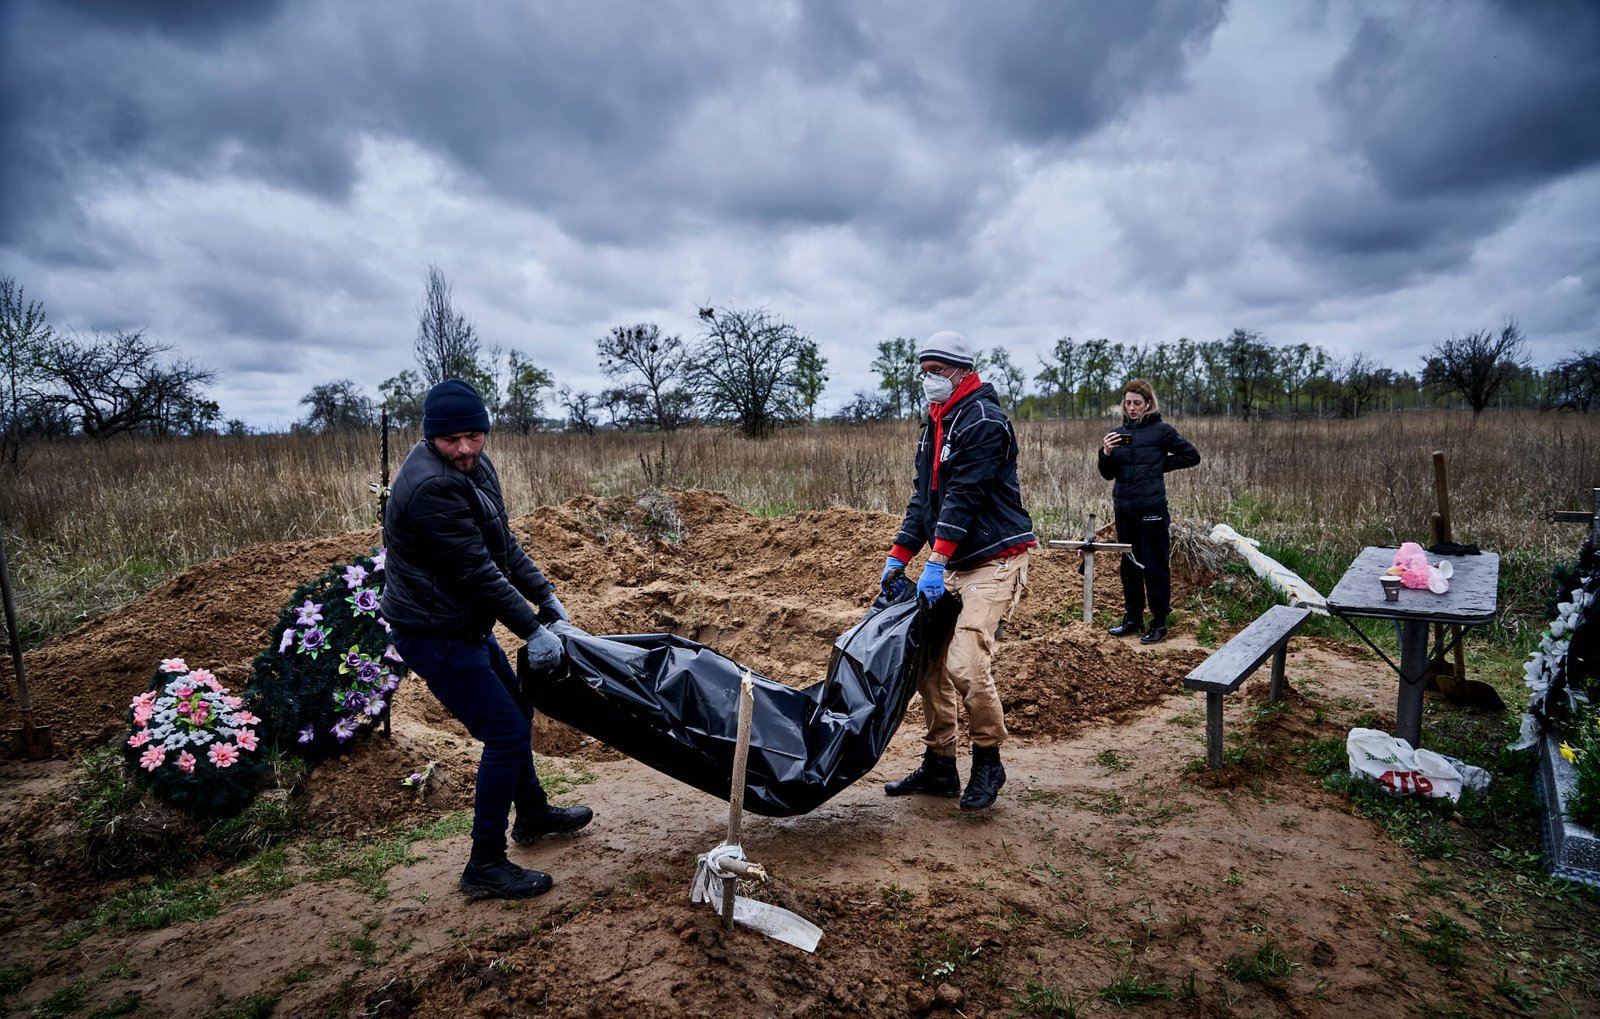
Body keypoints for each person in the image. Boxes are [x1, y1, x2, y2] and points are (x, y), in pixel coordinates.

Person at [382, 379, 592, 899]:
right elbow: (476, 570)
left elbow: (501, 543)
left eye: (474, 435)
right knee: (505, 732)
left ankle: (534, 814)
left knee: (516, 713)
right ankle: (485, 863)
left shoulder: (472, 465)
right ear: (432, 438)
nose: (465, 448)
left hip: (461, 624)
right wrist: (532, 628)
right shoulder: (433, 487)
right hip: (434, 634)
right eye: (452, 440)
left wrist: (545, 595)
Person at [879, 331, 1036, 811]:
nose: (929, 380)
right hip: (952, 561)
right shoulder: (935, 422)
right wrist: (898, 556)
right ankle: (940, 765)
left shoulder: (984, 420)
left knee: (966, 664)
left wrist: (936, 560)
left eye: (938, 372)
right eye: (924, 372)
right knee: (928, 667)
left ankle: (988, 760)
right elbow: (923, 500)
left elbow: (965, 496)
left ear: (963, 371)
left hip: (994, 559)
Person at [1096, 379, 1200, 645]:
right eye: (1128, 403)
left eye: (1137, 403)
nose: (1132, 408)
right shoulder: (1117, 434)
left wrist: (1157, 466)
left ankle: (1159, 622)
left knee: (1154, 565)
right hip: (1124, 509)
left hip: (1152, 508)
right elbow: (1107, 474)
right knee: (1129, 565)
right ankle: (1133, 619)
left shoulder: (1162, 431)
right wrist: (1105, 453)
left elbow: (1192, 456)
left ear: (1148, 404)